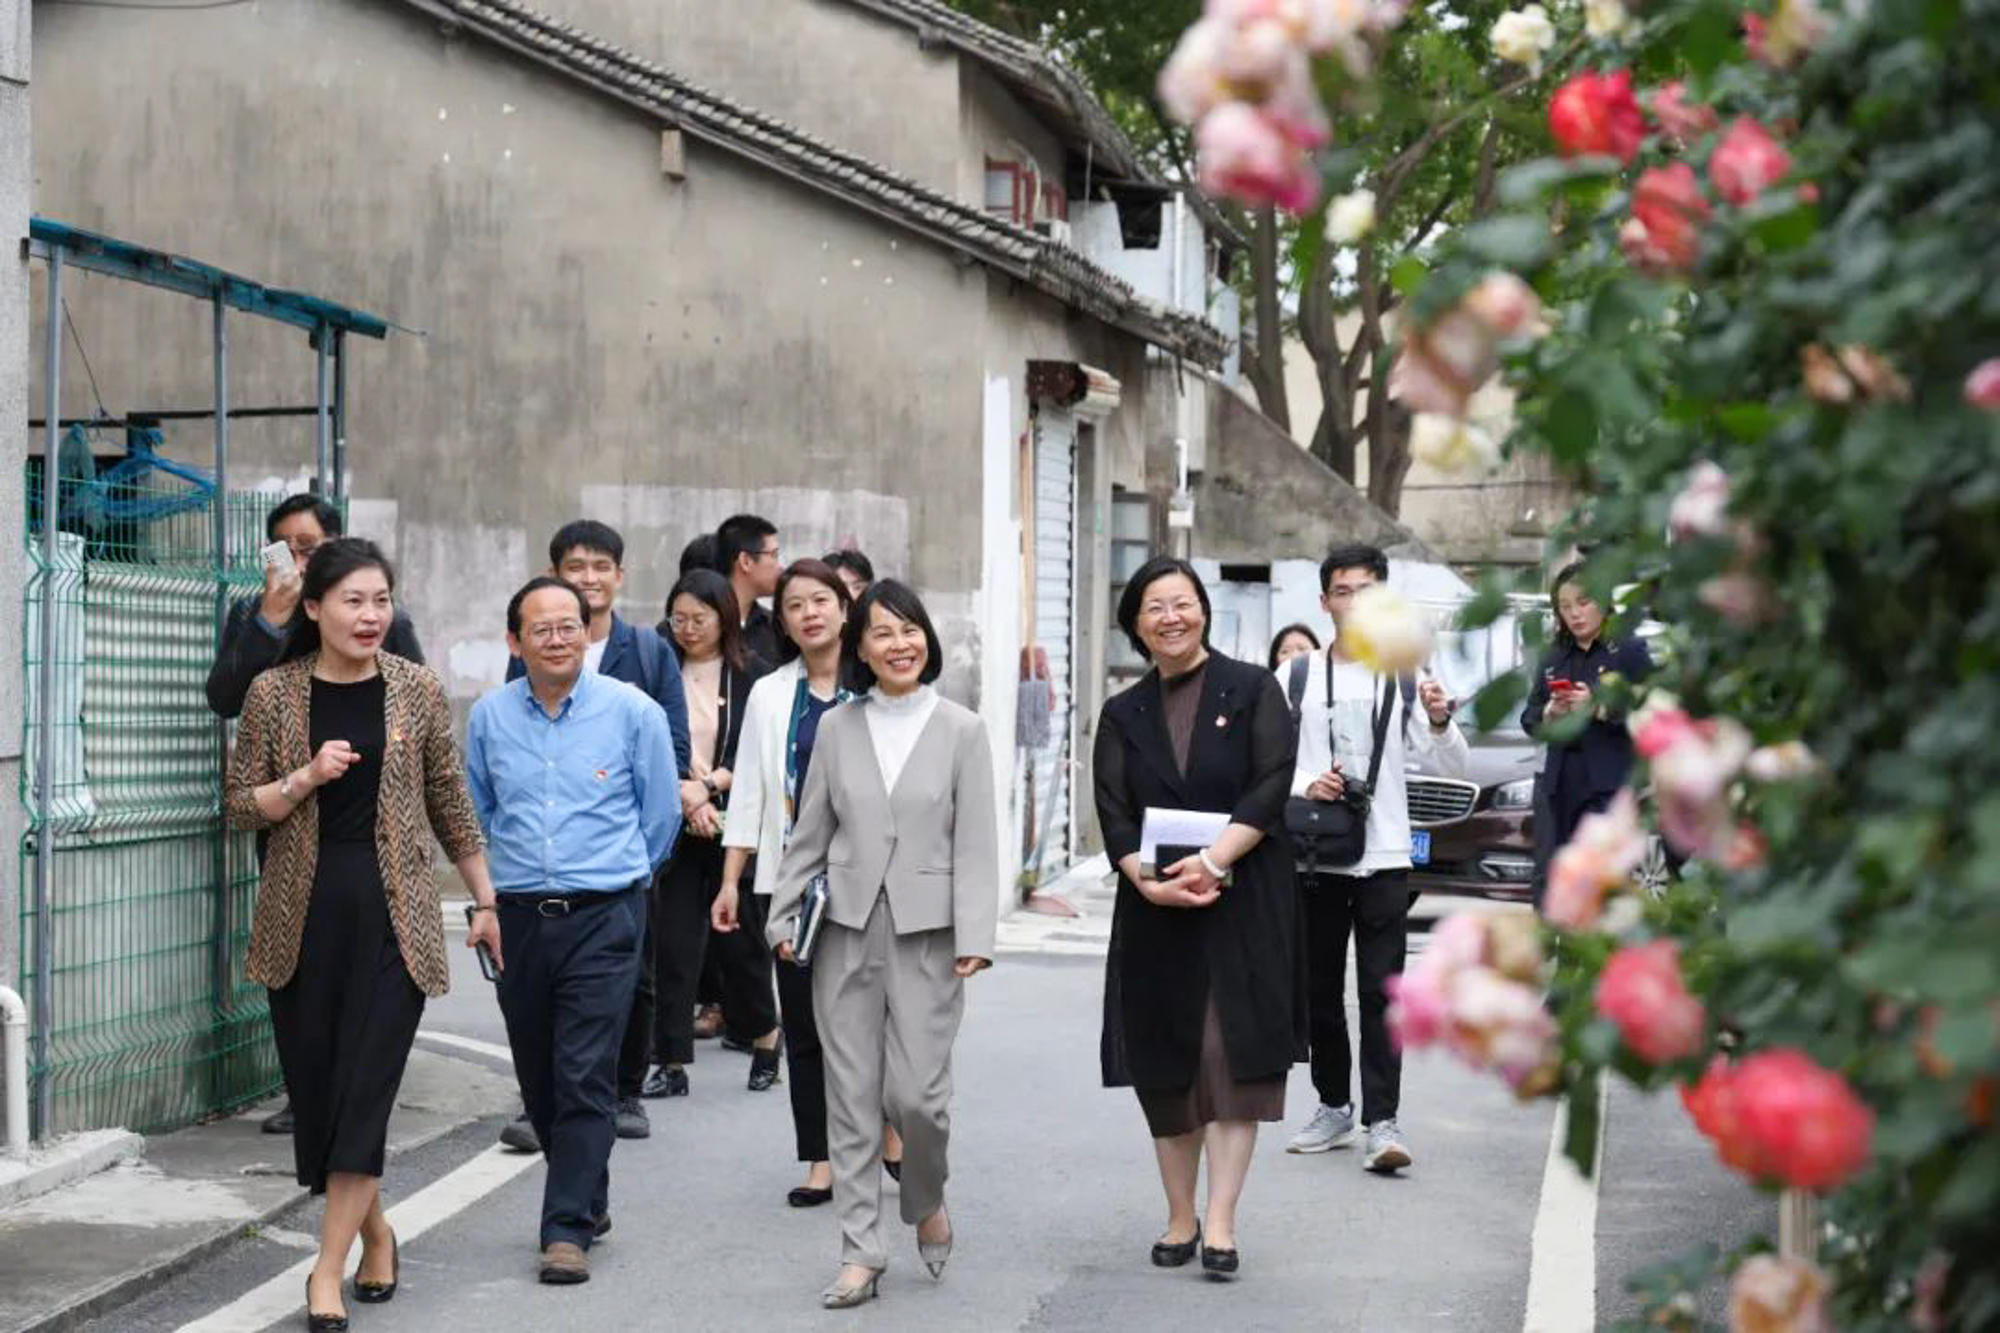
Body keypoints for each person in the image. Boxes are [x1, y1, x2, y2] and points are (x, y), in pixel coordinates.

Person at [224, 538, 498, 1329]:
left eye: (381, 599)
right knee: (322, 1102)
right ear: (314, 607)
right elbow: (239, 805)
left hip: (395, 918)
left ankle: (324, 1270)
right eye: (353, 600)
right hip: (302, 919)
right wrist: (305, 776)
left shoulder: (416, 687)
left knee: (366, 1091)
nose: (371, 614)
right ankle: (376, 1231)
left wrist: (486, 901)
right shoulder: (274, 692)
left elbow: (449, 799)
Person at [764, 580, 998, 1309]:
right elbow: (811, 830)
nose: (900, 644)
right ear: (859, 649)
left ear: (926, 638)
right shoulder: (838, 727)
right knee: (851, 1096)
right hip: (845, 929)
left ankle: (924, 1198)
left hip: (931, 935)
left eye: (910, 629)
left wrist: (976, 933)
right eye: (883, 633)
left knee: (918, 1098)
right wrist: (782, 915)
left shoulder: (962, 729)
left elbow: (977, 841)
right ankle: (860, 1251)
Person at [465, 577, 681, 1285]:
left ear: (587, 633)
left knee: (584, 1069)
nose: (558, 639)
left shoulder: (634, 712)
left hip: (605, 914)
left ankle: (564, 1230)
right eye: (541, 628)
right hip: (521, 917)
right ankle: (588, 1195)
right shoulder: (489, 717)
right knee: (540, 1077)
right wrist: (491, 900)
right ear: (515, 640)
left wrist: (619, 880)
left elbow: (660, 816)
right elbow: (478, 812)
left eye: (569, 626)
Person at [1092, 556, 1300, 1284]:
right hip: (1156, 911)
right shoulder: (1123, 712)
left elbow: (1271, 783)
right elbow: (1113, 811)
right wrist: (1143, 881)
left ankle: (1220, 1220)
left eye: (1181, 602)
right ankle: (1179, 1214)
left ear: (1203, 610)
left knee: (1230, 1056)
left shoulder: (1254, 688)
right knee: (1167, 1060)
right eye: (1154, 607)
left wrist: (1214, 861)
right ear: (1135, 624)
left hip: (1243, 901)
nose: (1170, 617)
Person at [207, 494, 425, 1139]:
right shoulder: (255, 613)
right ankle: (310, 1094)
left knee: (372, 972)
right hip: (291, 820)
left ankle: (355, 1099)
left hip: (375, 834)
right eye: (287, 548)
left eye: (309, 546)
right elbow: (225, 697)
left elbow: (420, 712)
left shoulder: (378, 620)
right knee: (303, 966)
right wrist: (269, 622)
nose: (298, 559)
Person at [497, 520, 691, 1151]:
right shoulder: (530, 646)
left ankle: (624, 1088)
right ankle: (547, 1101)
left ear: (620, 576)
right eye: (575, 567)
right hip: (543, 858)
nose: (589, 577)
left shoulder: (648, 650)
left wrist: (635, 852)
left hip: (623, 850)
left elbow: (672, 748)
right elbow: (509, 749)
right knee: (545, 994)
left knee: (635, 975)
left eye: (601, 566)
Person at [1282, 544, 1466, 1174]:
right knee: (1319, 992)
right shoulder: (1296, 676)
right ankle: (1334, 1105)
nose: (1354, 602)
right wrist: (1306, 782)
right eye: (1343, 591)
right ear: (1324, 602)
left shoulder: (1406, 676)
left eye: (1367, 591)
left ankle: (1382, 1122)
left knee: (1383, 993)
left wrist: (1439, 722)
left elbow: (1451, 763)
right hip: (1315, 856)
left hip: (1385, 853)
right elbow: (1266, 763)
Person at [711, 559, 851, 1209]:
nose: (809, 613)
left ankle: (887, 1129)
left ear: (845, 608)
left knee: (876, 1023)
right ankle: (821, 1158)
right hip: (794, 885)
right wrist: (731, 880)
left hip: (870, 883)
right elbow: (750, 794)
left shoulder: (874, 686)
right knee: (805, 1024)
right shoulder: (770, 694)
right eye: (795, 605)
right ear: (784, 623)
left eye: (821, 600)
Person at [646, 569, 782, 1099]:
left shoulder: (755, 677)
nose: (687, 629)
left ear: (724, 618)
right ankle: (670, 1061)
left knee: (741, 946)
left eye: (698, 619)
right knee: (673, 946)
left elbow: (757, 751)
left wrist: (706, 790)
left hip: (736, 824)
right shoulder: (661, 670)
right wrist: (687, 797)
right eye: (677, 619)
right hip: (677, 823)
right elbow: (651, 740)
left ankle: (765, 1036)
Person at [1521, 561, 1655, 887]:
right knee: (1559, 877)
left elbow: (1652, 712)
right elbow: (1529, 716)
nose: (1575, 614)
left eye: (1583, 602)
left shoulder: (1628, 649)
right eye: (1565, 606)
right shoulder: (1553, 656)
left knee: (1608, 879)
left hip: (1611, 783)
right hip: (1560, 783)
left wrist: (1599, 709)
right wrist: (1549, 714)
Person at [716, 513, 783, 665]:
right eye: (773, 555)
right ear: (746, 561)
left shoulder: (775, 626)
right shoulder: (699, 625)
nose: (780, 567)